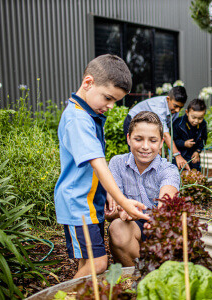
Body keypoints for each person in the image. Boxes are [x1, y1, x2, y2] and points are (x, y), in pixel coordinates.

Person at [54, 54, 150, 279]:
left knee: (86, 262)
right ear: (88, 83)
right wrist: (123, 201)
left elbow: (92, 168)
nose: (110, 106)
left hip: (90, 203)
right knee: (98, 263)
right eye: (108, 98)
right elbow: (98, 164)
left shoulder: (88, 114)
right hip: (78, 206)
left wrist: (106, 192)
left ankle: (81, 294)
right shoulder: (77, 119)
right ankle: (63, 296)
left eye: (115, 101)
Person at [105, 111, 180, 267]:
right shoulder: (117, 164)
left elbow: (165, 205)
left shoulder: (168, 170)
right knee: (117, 227)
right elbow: (111, 213)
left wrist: (158, 218)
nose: (145, 147)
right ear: (129, 139)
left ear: (161, 143)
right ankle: (137, 275)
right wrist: (122, 210)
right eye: (138, 139)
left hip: (159, 231)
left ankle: (157, 274)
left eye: (153, 140)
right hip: (132, 229)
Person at [123, 86, 190, 170]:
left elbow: (167, 131)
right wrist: (177, 155)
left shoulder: (173, 110)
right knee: (138, 153)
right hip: (133, 120)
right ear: (168, 99)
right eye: (176, 106)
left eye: (180, 107)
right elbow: (165, 135)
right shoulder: (159, 107)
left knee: (154, 153)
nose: (177, 110)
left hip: (149, 125)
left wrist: (161, 148)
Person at [172, 98, 208, 171]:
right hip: (180, 155)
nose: (196, 121)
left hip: (193, 156)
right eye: (193, 117)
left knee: (195, 173)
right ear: (187, 112)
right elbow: (173, 141)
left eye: (200, 118)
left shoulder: (203, 124)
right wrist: (184, 143)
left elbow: (203, 139)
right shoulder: (178, 124)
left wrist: (197, 151)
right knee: (178, 174)